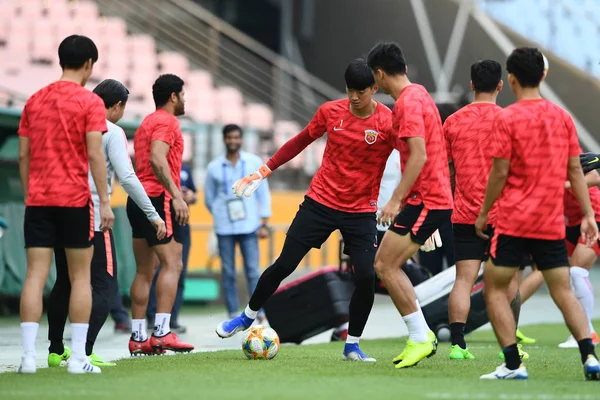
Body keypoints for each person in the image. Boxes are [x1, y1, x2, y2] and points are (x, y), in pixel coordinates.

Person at [215, 58, 404, 362]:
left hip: (360, 211)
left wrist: (410, 201)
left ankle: (352, 345)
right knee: (285, 263)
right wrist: (264, 170)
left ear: (374, 88)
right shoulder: (330, 111)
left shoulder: (386, 121)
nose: (354, 97)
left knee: (366, 276)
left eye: (361, 91)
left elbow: (410, 156)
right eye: (349, 90)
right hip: (320, 202)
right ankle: (246, 317)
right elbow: (300, 141)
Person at [475, 47, 600, 380]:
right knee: (562, 290)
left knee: (494, 288)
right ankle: (590, 357)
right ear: (543, 75)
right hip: (549, 222)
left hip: (514, 220)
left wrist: (484, 211)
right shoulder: (561, 117)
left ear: (511, 79)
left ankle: (513, 365)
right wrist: (588, 214)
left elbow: (499, 173)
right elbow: (576, 171)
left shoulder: (507, 118)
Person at [46, 79, 167, 368]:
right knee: (104, 284)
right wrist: (152, 213)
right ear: (116, 106)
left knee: (64, 280)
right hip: (91, 212)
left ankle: (55, 349)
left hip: (58, 208)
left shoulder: (70, 125)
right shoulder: (111, 131)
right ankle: (83, 352)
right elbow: (127, 177)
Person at [17, 35, 114, 374]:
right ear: (88, 64)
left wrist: (33, 193)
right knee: (81, 278)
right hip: (74, 200)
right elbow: (94, 154)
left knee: (35, 275)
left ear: (60, 60)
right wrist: (104, 201)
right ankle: (78, 359)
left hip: (39, 200)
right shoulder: (90, 103)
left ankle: (28, 359)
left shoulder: (34, 101)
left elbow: (24, 154)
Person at [366, 42, 453, 369]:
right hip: (429, 200)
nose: (377, 89)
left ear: (380, 73)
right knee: (384, 264)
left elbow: (418, 155)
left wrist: (396, 200)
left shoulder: (407, 103)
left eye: (376, 83)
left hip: (426, 200)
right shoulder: (420, 94)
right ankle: (420, 335)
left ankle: (421, 336)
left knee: (385, 266)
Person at [444, 60, 526, 360]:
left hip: (464, 213)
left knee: (463, 280)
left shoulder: (452, 122)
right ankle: (511, 346)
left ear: (471, 85)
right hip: (503, 214)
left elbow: (445, 168)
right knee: (510, 280)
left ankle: (456, 345)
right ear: (501, 86)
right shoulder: (510, 120)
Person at [126, 74, 194, 355]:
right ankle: (163, 333)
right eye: (183, 94)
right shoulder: (167, 121)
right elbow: (157, 158)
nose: (185, 99)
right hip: (158, 199)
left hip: (139, 199)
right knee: (173, 264)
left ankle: (138, 337)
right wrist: (177, 195)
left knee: (145, 270)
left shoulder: (146, 122)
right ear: (174, 96)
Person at [517, 169, 600, 348]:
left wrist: (564, 185)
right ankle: (584, 333)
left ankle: (588, 333)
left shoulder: (566, 149)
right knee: (565, 274)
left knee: (578, 272)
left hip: (594, 215)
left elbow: (594, 177)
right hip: (571, 222)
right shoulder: (537, 160)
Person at [205, 124, 271, 321]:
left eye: (236, 138)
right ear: (224, 139)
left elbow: (263, 192)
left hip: (249, 225)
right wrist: (219, 214)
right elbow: (209, 198)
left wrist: (264, 222)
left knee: (252, 270)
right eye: (229, 138)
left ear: (241, 139)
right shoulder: (214, 167)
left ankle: (258, 311)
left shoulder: (253, 162)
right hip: (224, 227)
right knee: (228, 272)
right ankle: (233, 312)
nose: (233, 141)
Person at [147, 163, 198, 333]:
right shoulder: (157, 165)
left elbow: (194, 195)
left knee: (179, 272)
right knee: (157, 270)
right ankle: (153, 316)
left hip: (182, 224)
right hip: (160, 221)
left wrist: (191, 197)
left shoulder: (185, 168)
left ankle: (172, 318)